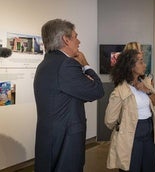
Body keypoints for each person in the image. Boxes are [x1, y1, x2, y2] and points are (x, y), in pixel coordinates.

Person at [33, 19, 104, 172]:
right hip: (66, 140)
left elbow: (68, 95)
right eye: (75, 36)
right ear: (66, 39)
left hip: (50, 137)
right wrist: (85, 64)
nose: (79, 41)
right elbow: (98, 90)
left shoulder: (45, 64)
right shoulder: (67, 65)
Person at [104, 49, 155, 172]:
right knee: (132, 167)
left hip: (149, 133)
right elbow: (109, 120)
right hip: (131, 135)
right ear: (130, 65)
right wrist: (124, 127)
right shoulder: (119, 91)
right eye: (140, 62)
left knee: (150, 167)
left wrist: (147, 90)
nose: (144, 64)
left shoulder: (146, 83)